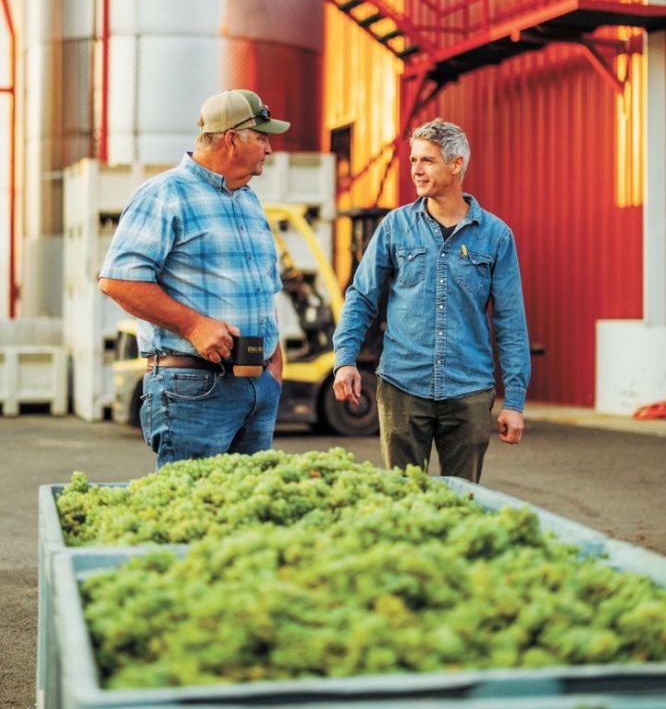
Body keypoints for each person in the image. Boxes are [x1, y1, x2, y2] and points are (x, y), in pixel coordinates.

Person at [98, 89, 290, 468]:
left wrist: (274, 363)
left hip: (257, 387)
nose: (269, 148)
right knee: (192, 516)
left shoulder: (248, 200)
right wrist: (194, 326)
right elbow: (118, 281)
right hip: (194, 390)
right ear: (232, 139)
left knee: (248, 518)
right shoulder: (165, 194)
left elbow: (264, 290)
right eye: (262, 136)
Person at [333, 119, 530, 482]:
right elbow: (361, 297)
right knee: (404, 501)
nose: (416, 170)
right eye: (413, 160)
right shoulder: (395, 227)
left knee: (462, 502)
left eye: (427, 161)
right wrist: (345, 359)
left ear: (456, 165)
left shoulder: (496, 236)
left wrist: (514, 400)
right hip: (402, 386)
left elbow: (511, 322)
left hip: (468, 390)